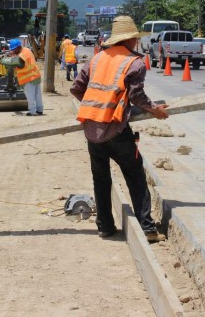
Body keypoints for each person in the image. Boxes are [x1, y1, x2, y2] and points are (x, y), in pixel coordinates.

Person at [70, 15, 169, 242]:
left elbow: (76, 88)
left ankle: (105, 227)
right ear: (129, 40)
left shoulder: (96, 59)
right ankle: (147, 228)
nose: (136, 42)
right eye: (134, 38)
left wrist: (95, 104)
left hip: (92, 130)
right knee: (135, 174)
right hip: (115, 128)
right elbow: (136, 96)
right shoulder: (133, 63)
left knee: (101, 178)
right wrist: (155, 109)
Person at [8, 39, 44, 116]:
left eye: (14, 49)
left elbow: (14, 62)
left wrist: (6, 59)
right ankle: (39, 110)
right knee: (37, 95)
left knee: (30, 96)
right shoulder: (26, 50)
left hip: (28, 78)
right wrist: (14, 54)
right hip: (35, 75)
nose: (13, 51)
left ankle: (32, 112)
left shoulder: (21, 55)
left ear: (18, 47)